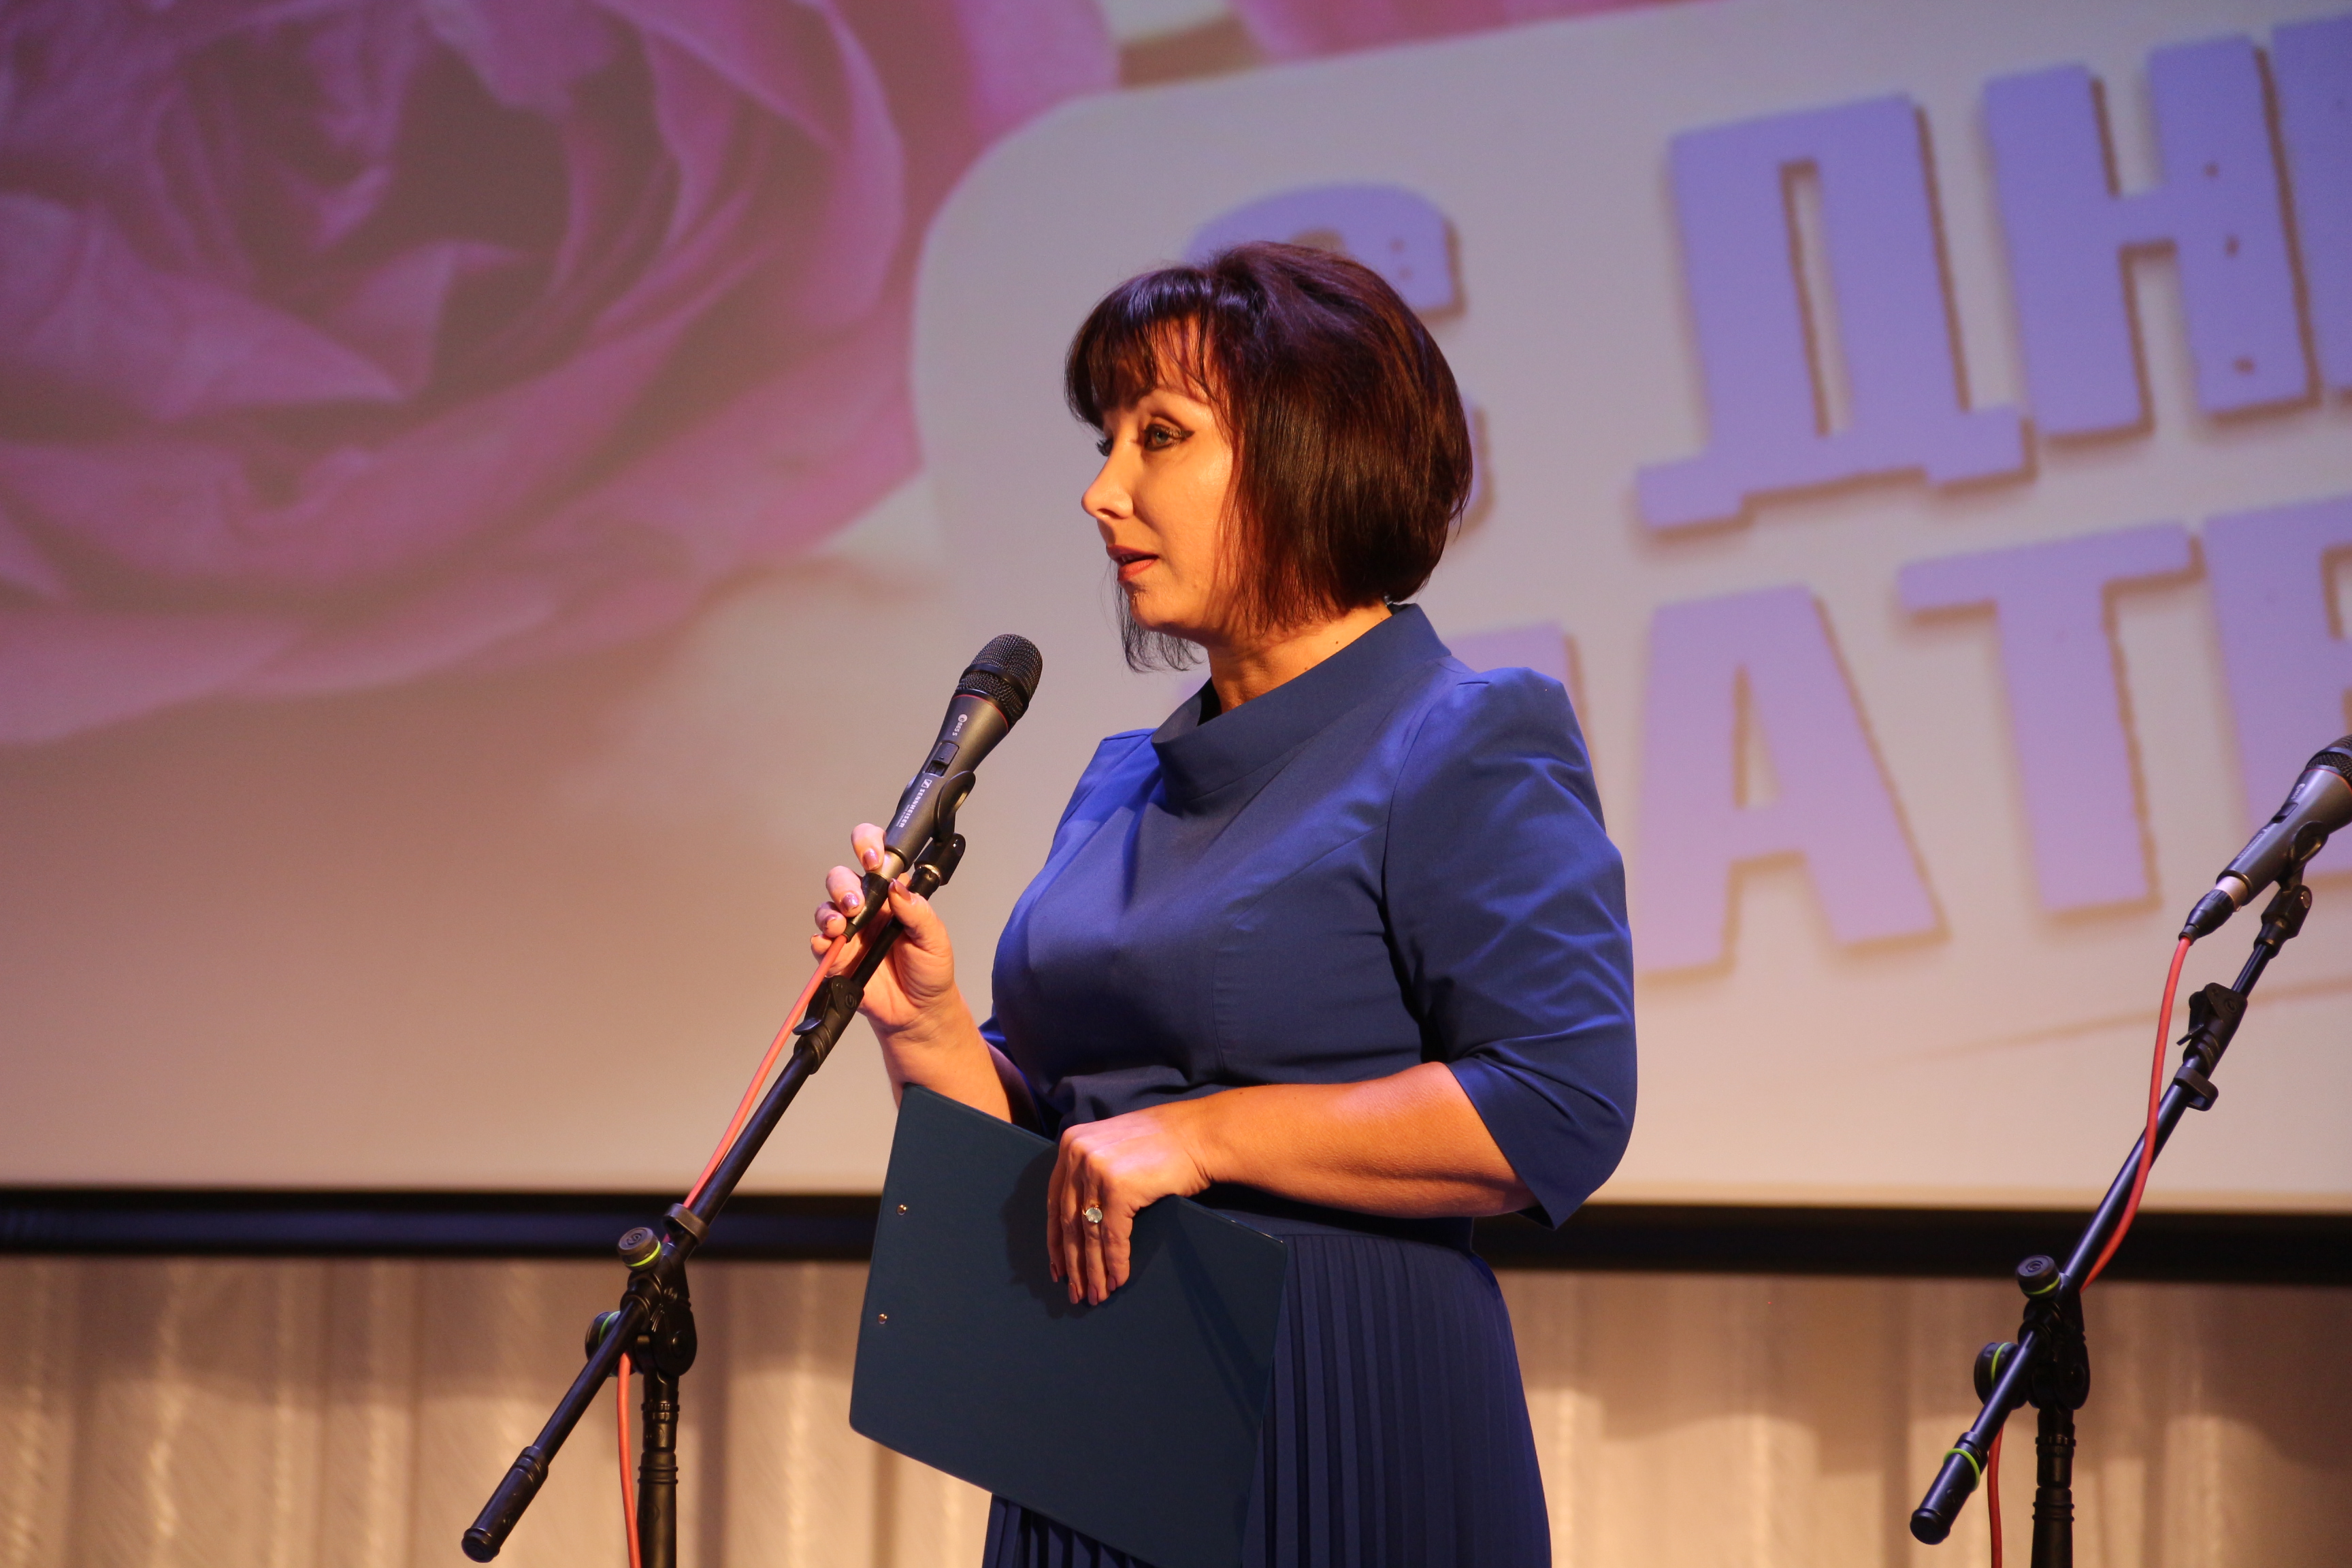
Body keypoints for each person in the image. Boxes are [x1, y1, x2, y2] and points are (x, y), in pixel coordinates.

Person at [813, 242, 1635, 1567]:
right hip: (1091, 1418)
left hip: (1339, 1402)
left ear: (1312, 450)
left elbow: (1560, 1104)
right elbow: (1056, 1153)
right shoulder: (1122, 781)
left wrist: (1204, 1137)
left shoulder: (1466, 735)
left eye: (1160, 436)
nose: (1102, 491)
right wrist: (929, 1026)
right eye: (1106, 441)